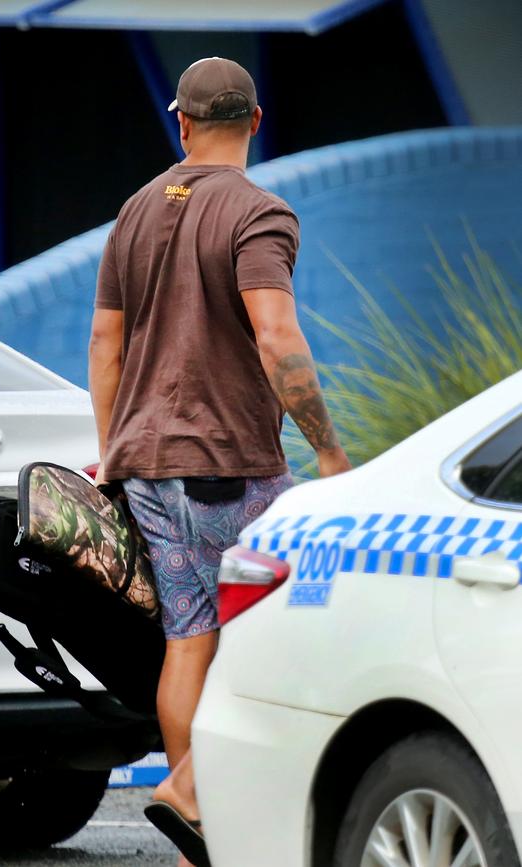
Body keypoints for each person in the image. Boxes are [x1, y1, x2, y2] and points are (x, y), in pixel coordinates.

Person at [89, 57, 351, 866]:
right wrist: (329, 449)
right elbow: (276, 335)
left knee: (190, 636)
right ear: (258, 120)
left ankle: (196, 830)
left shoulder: (134, 211)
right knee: (287, 628)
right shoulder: (259, 211)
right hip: (227, 464)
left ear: (183, 121)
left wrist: (113, 454)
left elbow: (106, 343)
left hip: (144, 467)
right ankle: (195, 789)